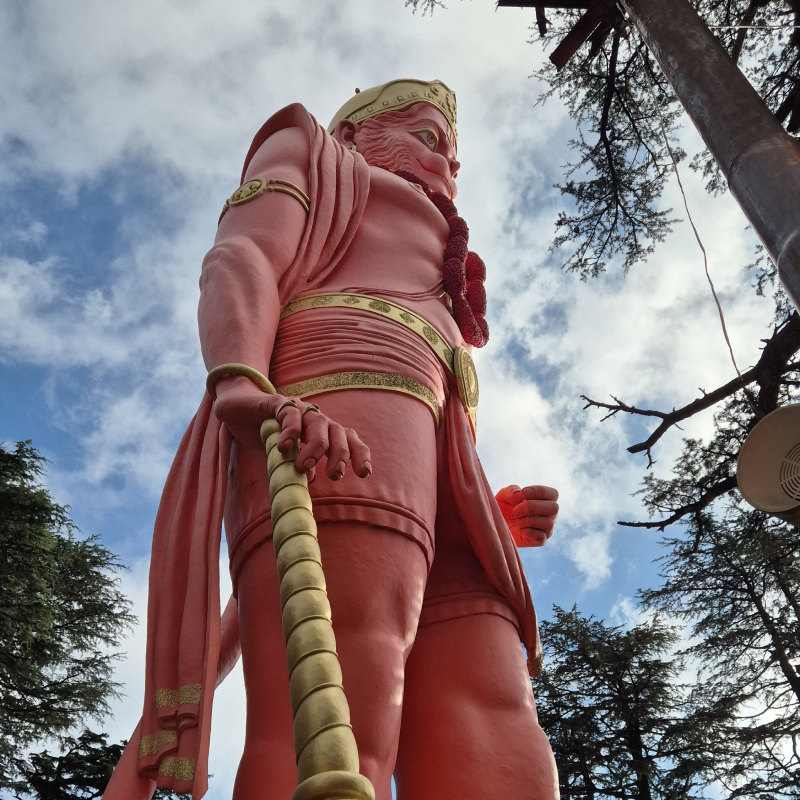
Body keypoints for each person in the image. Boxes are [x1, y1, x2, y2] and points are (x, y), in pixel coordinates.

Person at [104, 79, 560, 800]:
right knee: (340, 709)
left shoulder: (440, 275)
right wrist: (244, 385)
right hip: (333, 397)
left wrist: (478, 515)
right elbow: (243, 256)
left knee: (495, 722)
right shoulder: (311, 150)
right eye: (428, 138)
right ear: (356, 136)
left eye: (455, 157)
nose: (446, 166)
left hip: (441, 467)